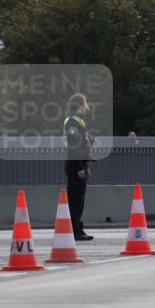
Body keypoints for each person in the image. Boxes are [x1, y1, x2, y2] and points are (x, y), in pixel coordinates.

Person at [64, 93, 95, 241]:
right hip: (75, 165)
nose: (87, 107)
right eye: (86, 104)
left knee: (79, 200)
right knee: (75, 200)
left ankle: (78, 229)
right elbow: (73, 147)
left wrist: (85, 164)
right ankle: (75, 231)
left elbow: (83, 145)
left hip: (80, 164)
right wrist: (79, 167)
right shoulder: (72, 122)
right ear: (80, 106)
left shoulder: (80, 122)